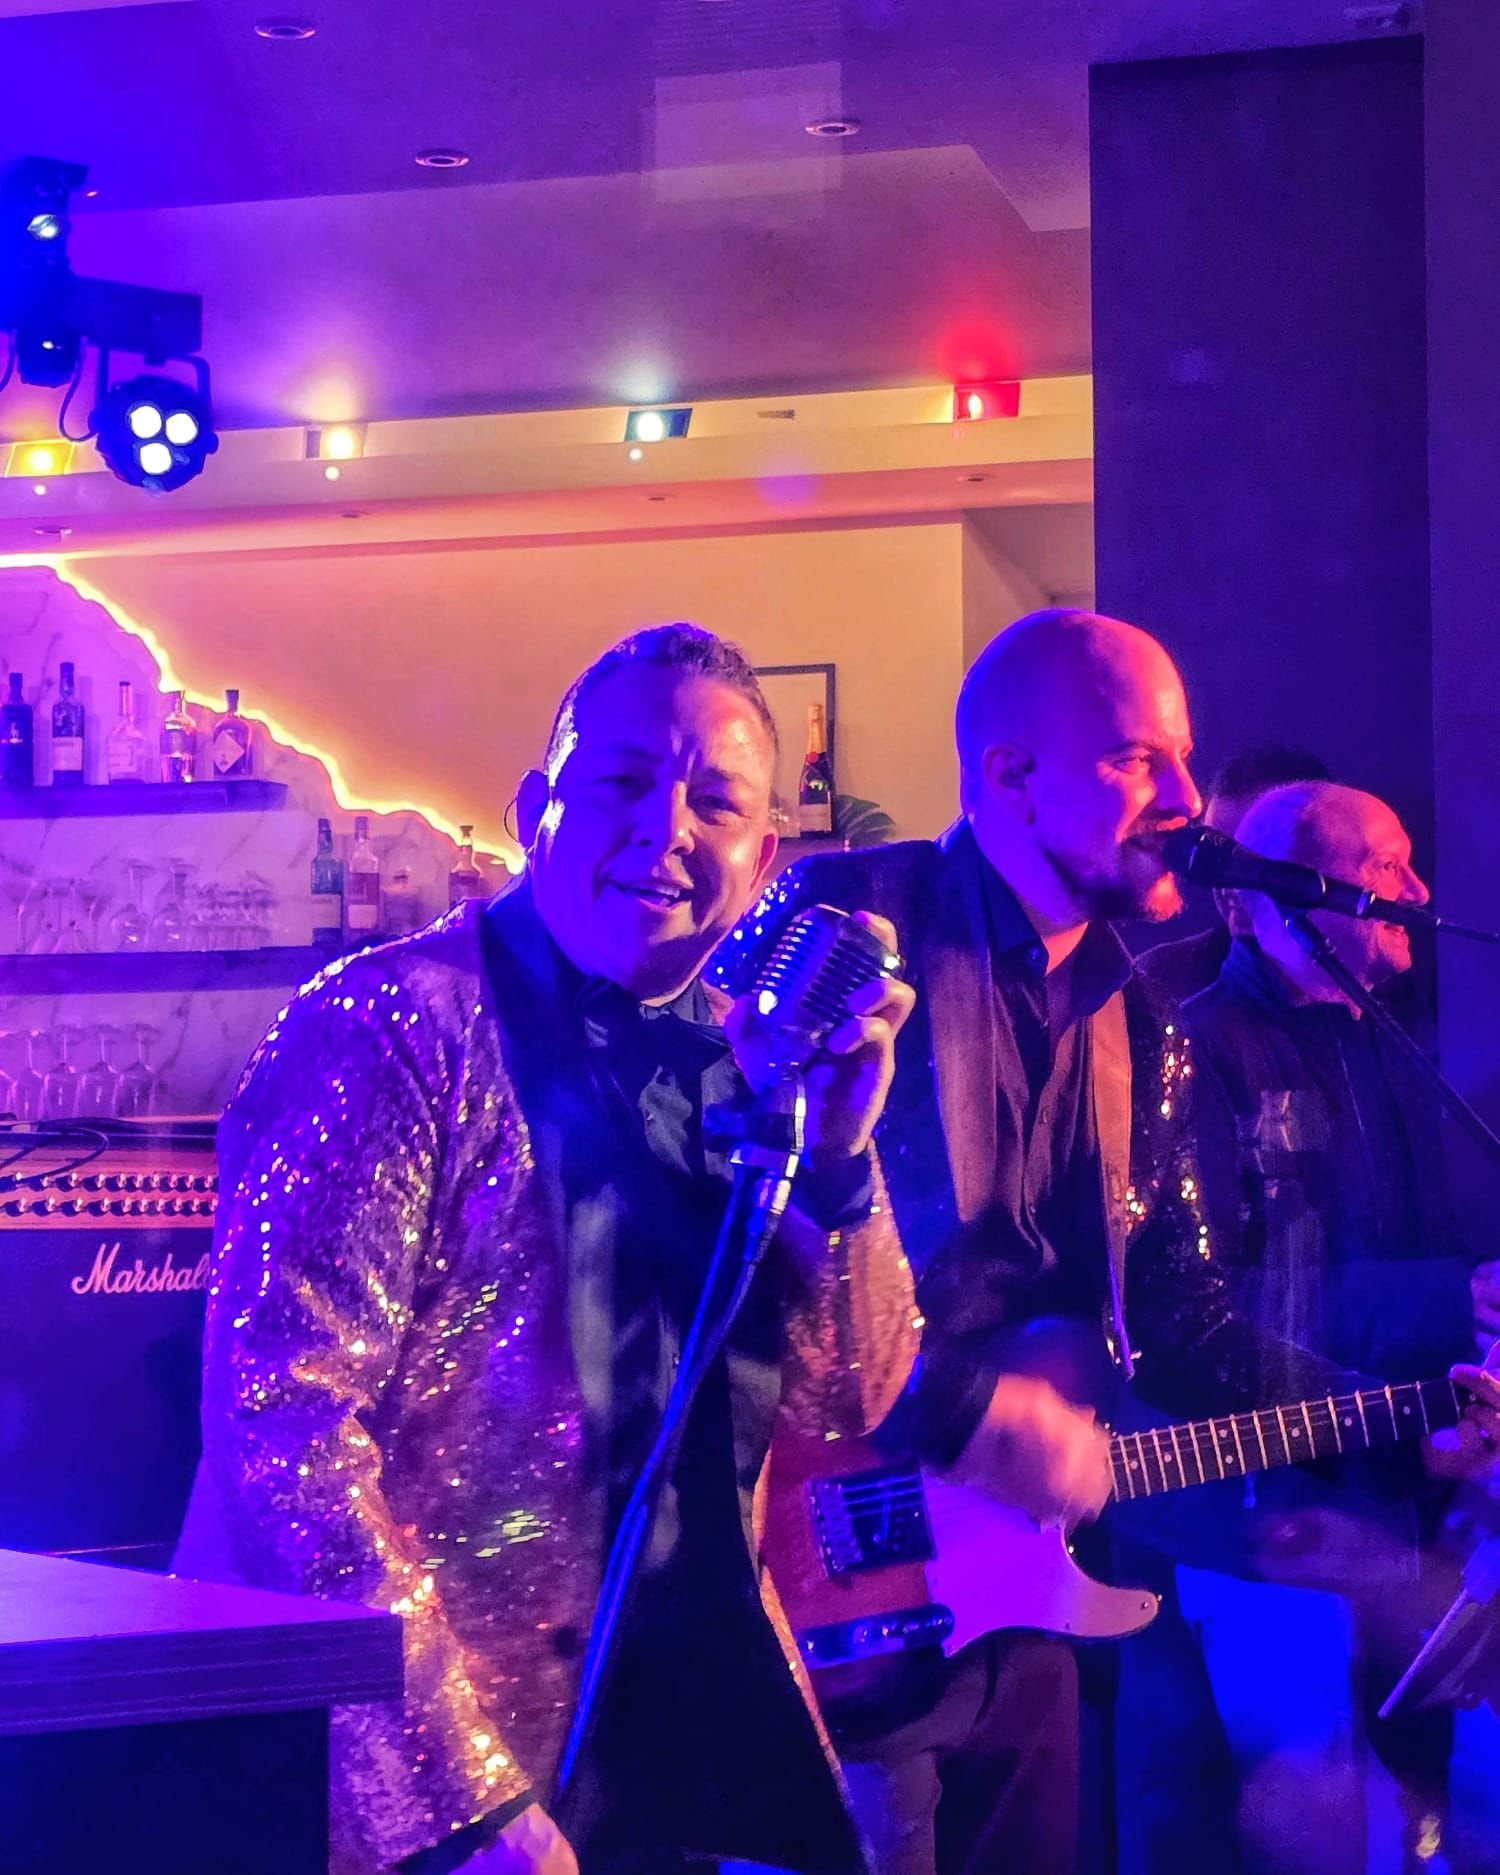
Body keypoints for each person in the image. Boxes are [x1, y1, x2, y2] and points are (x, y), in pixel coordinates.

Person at [174, 623, 921, 1875]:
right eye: (623, 781)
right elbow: (284, 1429)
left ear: (763, 857)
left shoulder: (743, 1054)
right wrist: (458, 1797)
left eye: (716, 803)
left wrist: (838, 1157)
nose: (665, 828)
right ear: (536, 812)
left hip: (677, 1747)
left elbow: (851, 1396)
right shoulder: (388, 1027)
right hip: (417, 1784)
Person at [1180, 780, 1489, 1874]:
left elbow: (1407, 1244)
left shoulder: (1382, 1038)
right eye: (1385, 866)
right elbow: (1222, 1305)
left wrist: (1460, 1396)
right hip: (1284, 1507)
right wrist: (1455, 1295)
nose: (1420, 892)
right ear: (1290, 892)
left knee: (1417, 1798)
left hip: (1404, 1473)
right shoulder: (1202, 1047)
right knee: (1306, 1815)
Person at [1135, 742, 1331, 1007]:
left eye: (1250, 852)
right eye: (1213, 853)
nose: (1228, 884)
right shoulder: (1160, 981)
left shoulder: (1384, 979)